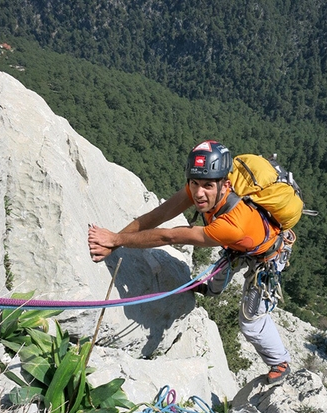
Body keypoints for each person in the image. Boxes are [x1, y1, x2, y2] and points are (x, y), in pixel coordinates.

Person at [88, 140, 291, 382]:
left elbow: (169, 235)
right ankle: (210, 289)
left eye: (207, 186)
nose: (198, 193)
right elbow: (159, 214)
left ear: (225, 184)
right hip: (240, 246)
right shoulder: (203, 186)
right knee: (216, 281)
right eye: (194, 184)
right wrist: (115, 238)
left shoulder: (233, 226)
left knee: (250, 323)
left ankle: (280, 361)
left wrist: (116, 240)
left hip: (266, 257)